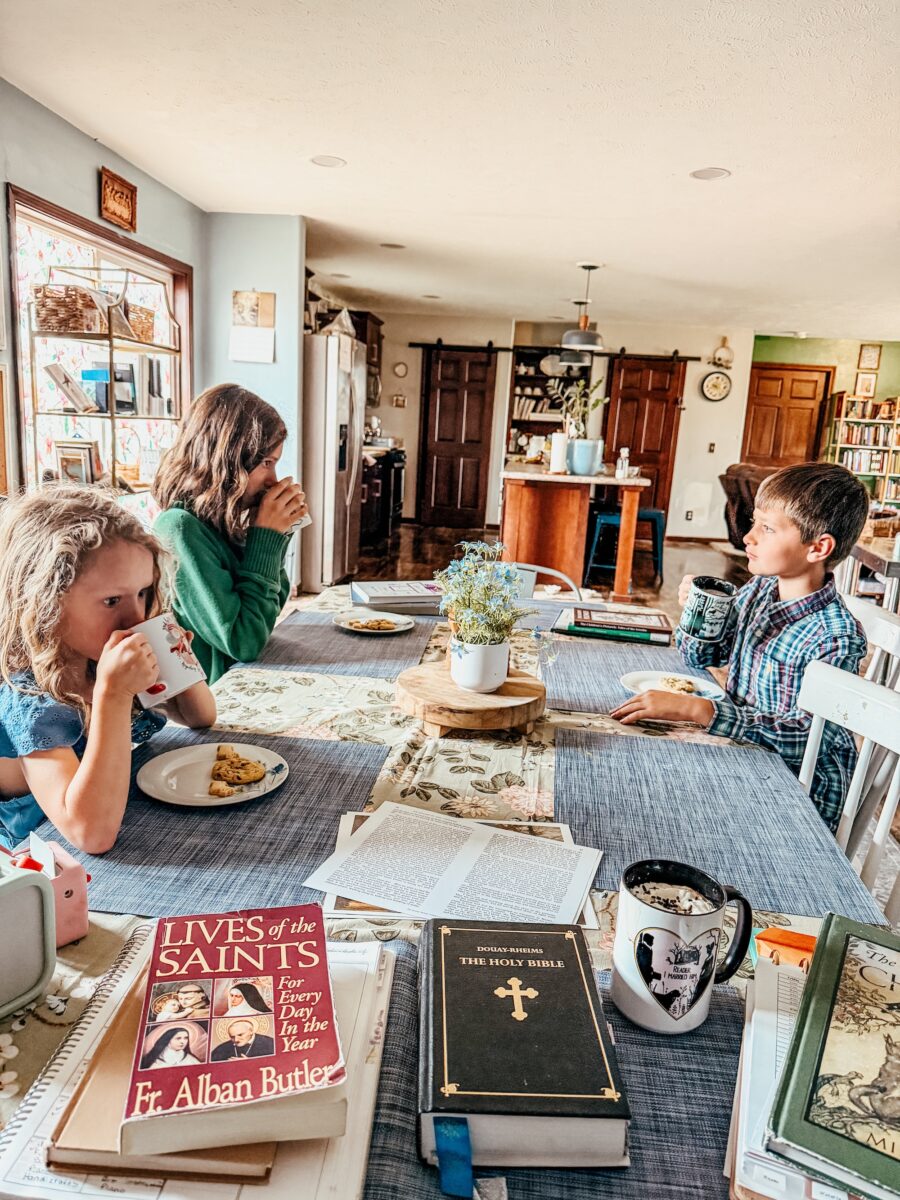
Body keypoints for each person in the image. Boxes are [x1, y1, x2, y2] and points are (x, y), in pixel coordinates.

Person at [611, 463, 870, 832]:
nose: (748, 538)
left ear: (818, 547)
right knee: (639, 776)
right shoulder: (760, 591)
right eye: (754, 523)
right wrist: (700, 615)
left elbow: (805, 739)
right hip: (746, 754)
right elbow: (702, 657)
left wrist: (702, 711)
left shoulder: (836, 637)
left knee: (663, 804)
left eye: (767, 528)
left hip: (799, 797)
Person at [0, 486, 217, 853]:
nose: (135, 618)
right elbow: (91, 834)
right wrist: (113, 695)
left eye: (143, 593)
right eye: (112, 600)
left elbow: (201, 718)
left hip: (128, 825)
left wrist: (174, 658)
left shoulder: (96, 658)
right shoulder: (30, 699)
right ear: (45, 605)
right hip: (46, 867)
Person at [152, 384, 307, 683]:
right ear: (230, 459)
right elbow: (245, 642)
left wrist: (276, 535)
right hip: (214, 696)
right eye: (266, 463)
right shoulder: (180, 529)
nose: (273, 479)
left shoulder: (220, 523)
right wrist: (266, 538)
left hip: (239, 678)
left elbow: (268, 612)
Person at [210, 1018, 275, 1060]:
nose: (236, 1040)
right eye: (232, 1037)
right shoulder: (220, 1049)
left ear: (251, 1031)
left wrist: (250, 1063)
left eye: (240, 1035)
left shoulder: (270, 1043)